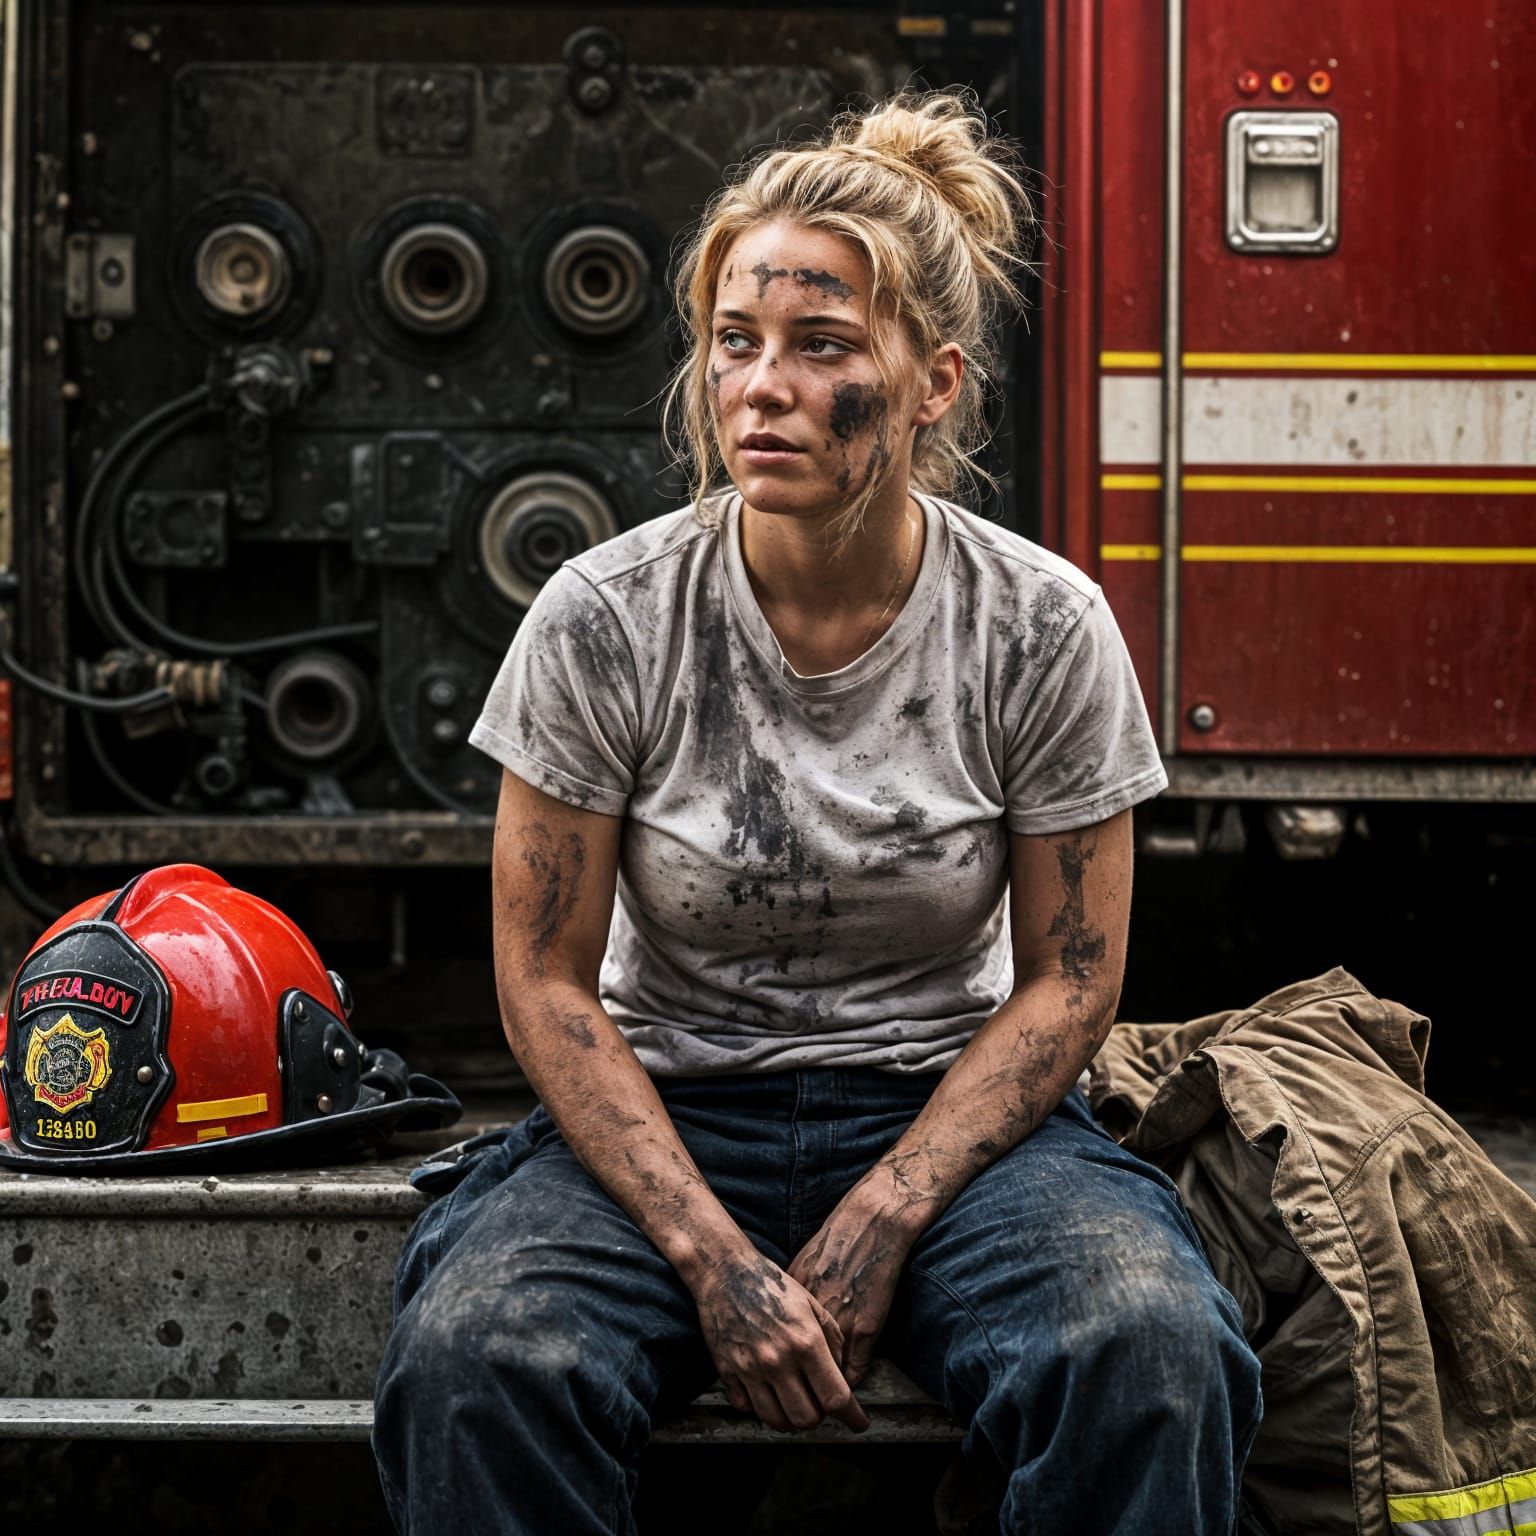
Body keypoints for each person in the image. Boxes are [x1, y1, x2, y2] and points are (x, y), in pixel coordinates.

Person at [372, 88, 1262, 1534]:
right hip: (665, 1111)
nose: (760, 386)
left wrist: (893, 1206)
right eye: (736, 342)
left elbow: (1071, 983)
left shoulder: (1041, 628)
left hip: (954, 1120)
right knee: (479, 1360)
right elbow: (541, 980)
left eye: (823, 345)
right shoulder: (606, 618)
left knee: (1151, 1351)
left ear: (934, 383)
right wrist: (711, 1257)